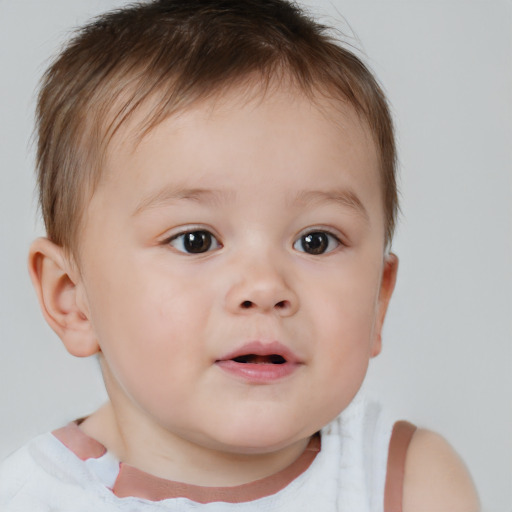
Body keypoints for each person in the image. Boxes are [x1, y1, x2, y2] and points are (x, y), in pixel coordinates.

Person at [0, 1, 479, 510]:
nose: (264, 287)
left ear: (378, 300)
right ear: (72, 298)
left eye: (315, 240)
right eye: (196, 240)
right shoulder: (35, 498)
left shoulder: (407, 484)